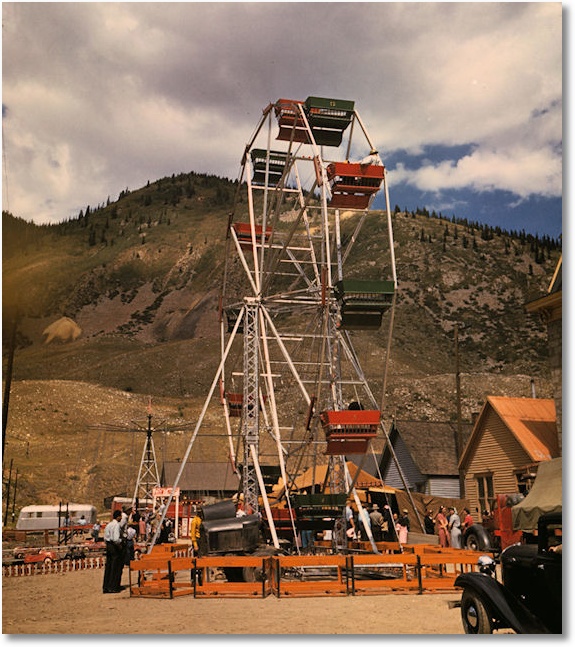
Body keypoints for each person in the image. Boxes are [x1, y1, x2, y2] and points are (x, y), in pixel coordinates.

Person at [103, 510, 124, 593]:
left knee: (108, 566)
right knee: (115, 567)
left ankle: (106, 586)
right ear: (118, 516)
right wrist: (120, 544)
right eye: (121, 516)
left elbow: (105, 537)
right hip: (114, 546)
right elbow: (115, 539)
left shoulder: (109, 525)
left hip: (109, 546)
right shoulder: (116, 525)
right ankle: (113, 586)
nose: (121, 518)